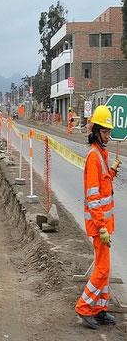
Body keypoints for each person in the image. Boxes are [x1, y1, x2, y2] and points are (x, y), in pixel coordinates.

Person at [75, 105, 122, 329]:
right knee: (102, 269)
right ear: (95, 131)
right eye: (104, 132)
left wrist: (112, 171)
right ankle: (85, 307)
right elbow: (93, 197)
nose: (108, 136)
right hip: (99, 225)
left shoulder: (101, 154)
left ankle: (100, 309)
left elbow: (103, 186)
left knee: (105, 268)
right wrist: (101, 227)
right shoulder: (94, 156)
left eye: (109, 132)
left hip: (105, 225)